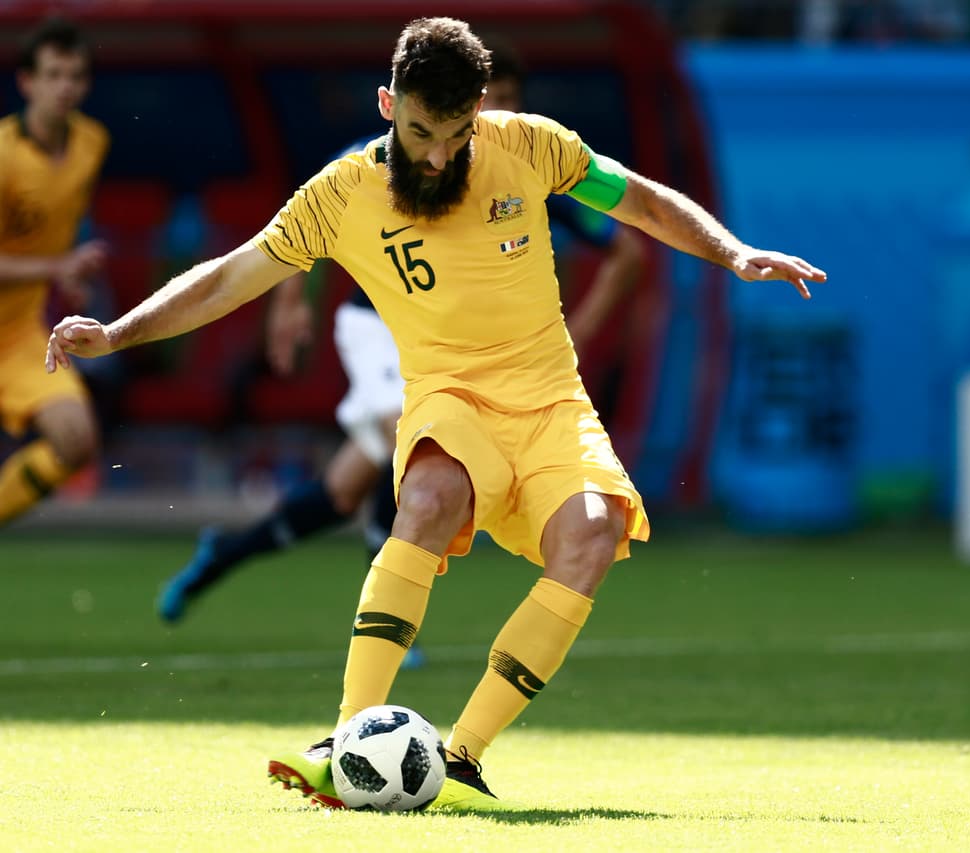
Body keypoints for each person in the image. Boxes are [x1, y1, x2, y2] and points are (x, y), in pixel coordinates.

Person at [46, 17, 825, 811]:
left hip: (552, 399)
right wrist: (117, 331)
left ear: (479, 111)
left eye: (456, 133)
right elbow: (226, 277)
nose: (438, 154)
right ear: (388, 104)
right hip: (448, 395)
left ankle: (463, 759)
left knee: (593, 532)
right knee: (425, 498)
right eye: (420, 131)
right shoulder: (340, 194)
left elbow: (638, 201)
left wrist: (732, 251)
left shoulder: (530, 145)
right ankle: (344, 741)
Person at [155, 51, 647, 665]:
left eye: (506, 105)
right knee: (405, 432)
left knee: (342, 490)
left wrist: (576, 333)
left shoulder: (520, 165)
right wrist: (289, 306)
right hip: (376, 327)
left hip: (463, 352)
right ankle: (386, 615)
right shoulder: (386, 156)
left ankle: (223, 555)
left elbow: (626, 250)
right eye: (490, 103)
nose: (498, 117)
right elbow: (299, 228)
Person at [0, 18, 108, 528]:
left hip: (18, 335)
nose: (66, 86)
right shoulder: (2, 155)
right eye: (53, 74)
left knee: (76, 440)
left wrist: (67, 272)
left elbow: (51, 225)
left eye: (76, 75)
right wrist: (56, 265)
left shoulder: (91, 144)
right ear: (27, 82)